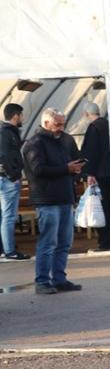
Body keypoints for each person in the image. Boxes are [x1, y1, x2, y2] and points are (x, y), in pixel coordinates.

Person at [21, 108, 85, 294]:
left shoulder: (65, 139)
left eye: (63, 123)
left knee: (64, 242)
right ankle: (42, 281)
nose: (61, 127)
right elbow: (38, 170)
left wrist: (77, 167)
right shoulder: (35, 143)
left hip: (65, 197)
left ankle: (59, 279)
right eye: (58, 124)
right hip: (47, 199)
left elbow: (72, 160)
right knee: (48, 242)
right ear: (46, 123)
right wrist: (66, 169)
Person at [81, 102, 110, 252]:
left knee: (101, 209)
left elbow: (91, 153)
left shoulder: (94, 128)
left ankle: (105, 242)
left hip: (100, 174)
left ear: (86, 114)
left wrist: (90, 173)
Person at [1, 103, 30, 260]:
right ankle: (10, 250)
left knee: (4, 215)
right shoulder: (6, 132)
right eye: (22, 115)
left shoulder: (9, 132)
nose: (23, 118)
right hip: (8, 180)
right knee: (9, 216)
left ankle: (5, 248)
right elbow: (3, 155)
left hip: (6, 178)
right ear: (15, 116)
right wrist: (13, 175)